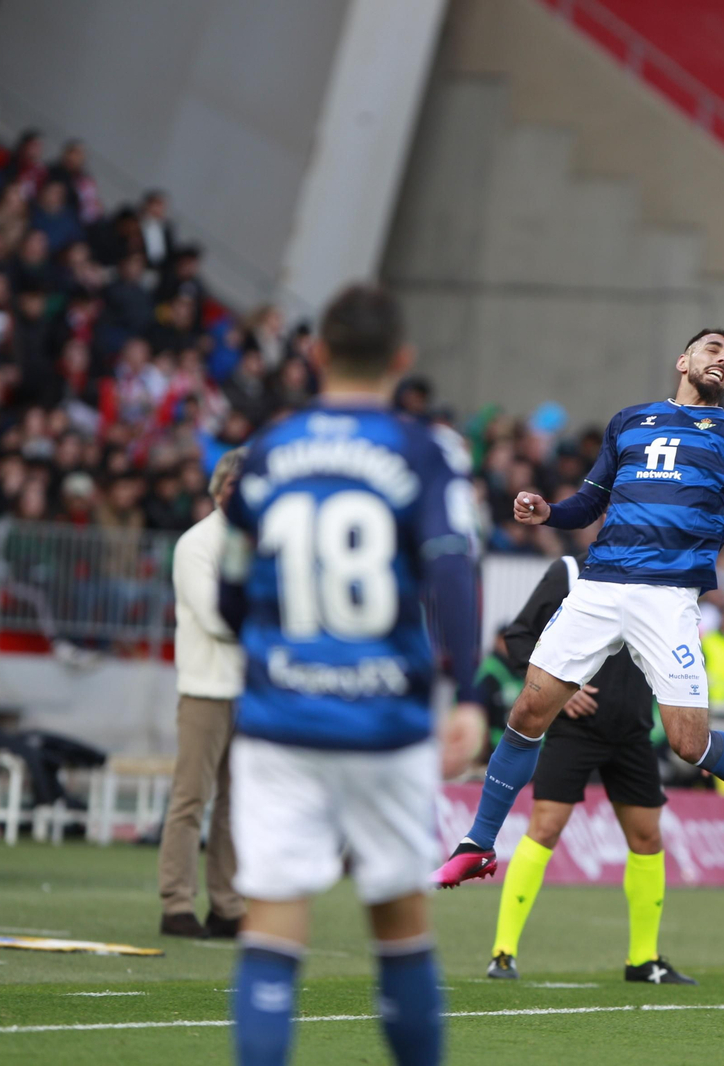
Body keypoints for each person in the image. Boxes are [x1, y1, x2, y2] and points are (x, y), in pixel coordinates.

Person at [434, 329, 724, 891]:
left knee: (690, 745)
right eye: (714, 350)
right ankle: (477, 844)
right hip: (600, 586)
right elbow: (590, 502)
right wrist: (548, 511)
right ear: (683, 360)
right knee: (527, 713)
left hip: (667, 598)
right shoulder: (630, 422)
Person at [217, 285, 485, 1066]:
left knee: (271, 924)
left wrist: (275, 658)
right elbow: (452, 572)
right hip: (387, 723)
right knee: (399, 919)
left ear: (317, 354)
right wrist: (466, 693)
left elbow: (229, 588)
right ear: (402, 361)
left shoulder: (268, 448)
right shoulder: (426, 450)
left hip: (280, 720)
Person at [487, 529, 696, 985]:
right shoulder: (571, 571)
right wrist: (564, 689)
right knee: (544, 827)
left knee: (647, 839)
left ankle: (644, 960)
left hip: (632, 731)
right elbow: (518, 635)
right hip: (575, 731)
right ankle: (503, 952)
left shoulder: (661, 580)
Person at [156, 447, 247, 940]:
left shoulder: (254, 541)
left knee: (237, 805)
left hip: (244, 689)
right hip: (206, 689)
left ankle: (227, 904)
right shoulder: (197, 544)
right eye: (233, 484)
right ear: (217, 489)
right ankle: (176, 902)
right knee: (191, 799)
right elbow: (215, 618)